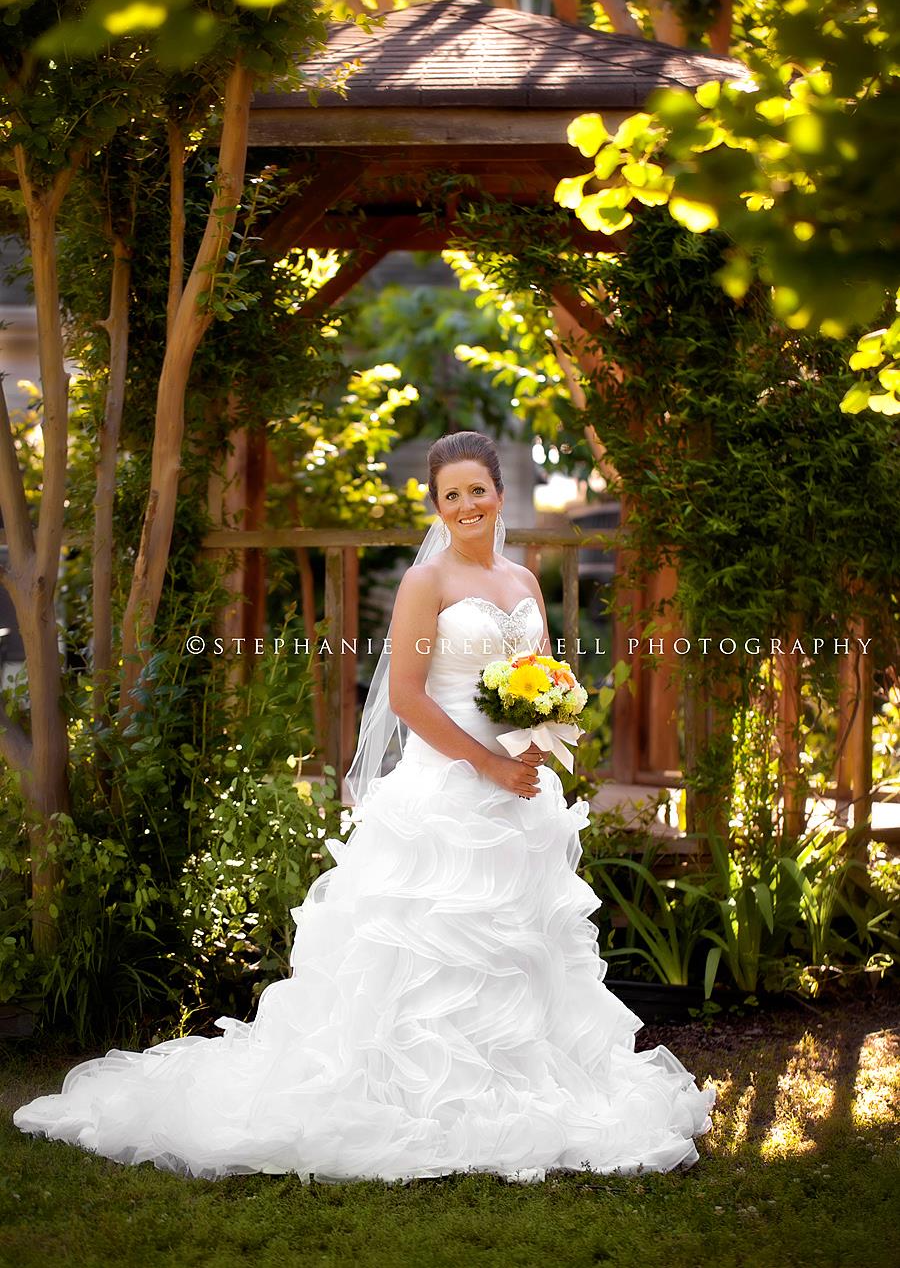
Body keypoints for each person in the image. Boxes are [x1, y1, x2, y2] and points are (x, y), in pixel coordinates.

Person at [13, 430, 715, 1184]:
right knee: (429, 946)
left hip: (518, 790)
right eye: (451, 495)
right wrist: (484, 760)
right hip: (445, 789)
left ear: (500, 495)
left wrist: (535, 736)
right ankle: (414, 1094)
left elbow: (532, 675)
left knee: (519, 943)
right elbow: (409, 698)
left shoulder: (525, 580)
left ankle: (520, 1084)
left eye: (478, 489)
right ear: (437, 507)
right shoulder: (428, 584)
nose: (467, 504)